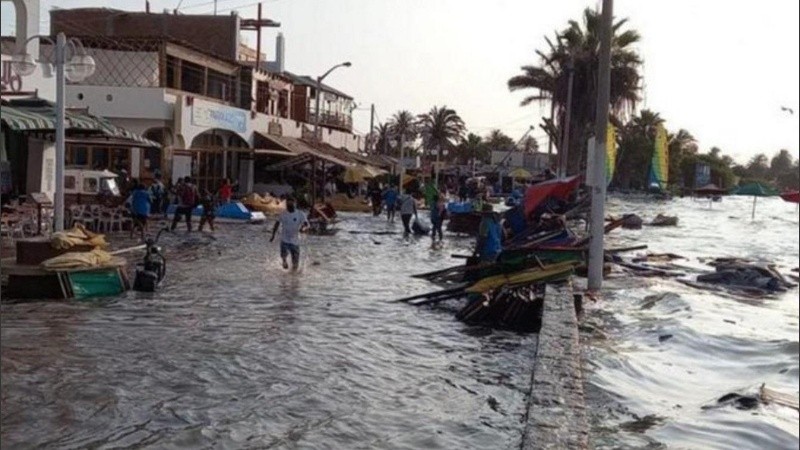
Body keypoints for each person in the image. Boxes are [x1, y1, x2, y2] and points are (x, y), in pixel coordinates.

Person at [270, 196, 309, 270]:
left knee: (295, 265)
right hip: (285, 239)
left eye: (291, 203)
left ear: (295, 204)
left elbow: (306, 224)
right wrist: (273, 235)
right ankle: (284, 261)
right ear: (286, 205)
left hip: (295, 241)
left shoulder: (300, 214)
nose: (289, 205)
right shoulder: (283, 214)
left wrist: (303, 229)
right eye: (288, 204)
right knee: (284, 254)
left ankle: (293, 279)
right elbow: (277, 224)